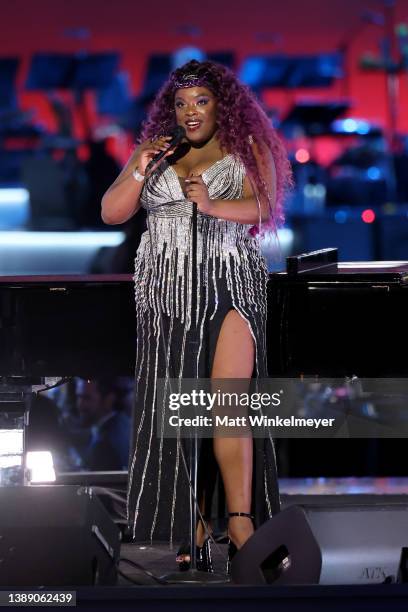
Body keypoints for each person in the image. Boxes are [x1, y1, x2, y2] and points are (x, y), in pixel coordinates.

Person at [101, 60, 291, 571]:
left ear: (220, 105)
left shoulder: (245, 146)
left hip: (230, 280)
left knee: (228, 401)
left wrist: (211, 206)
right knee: (182, 407)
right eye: (182, 103)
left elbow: (265, 206)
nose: (190, 112)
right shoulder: (156, 155)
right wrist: (141, 166)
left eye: (201, 102)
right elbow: (113, 212)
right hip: (165, 290)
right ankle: (192, 521)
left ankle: (240, 517)